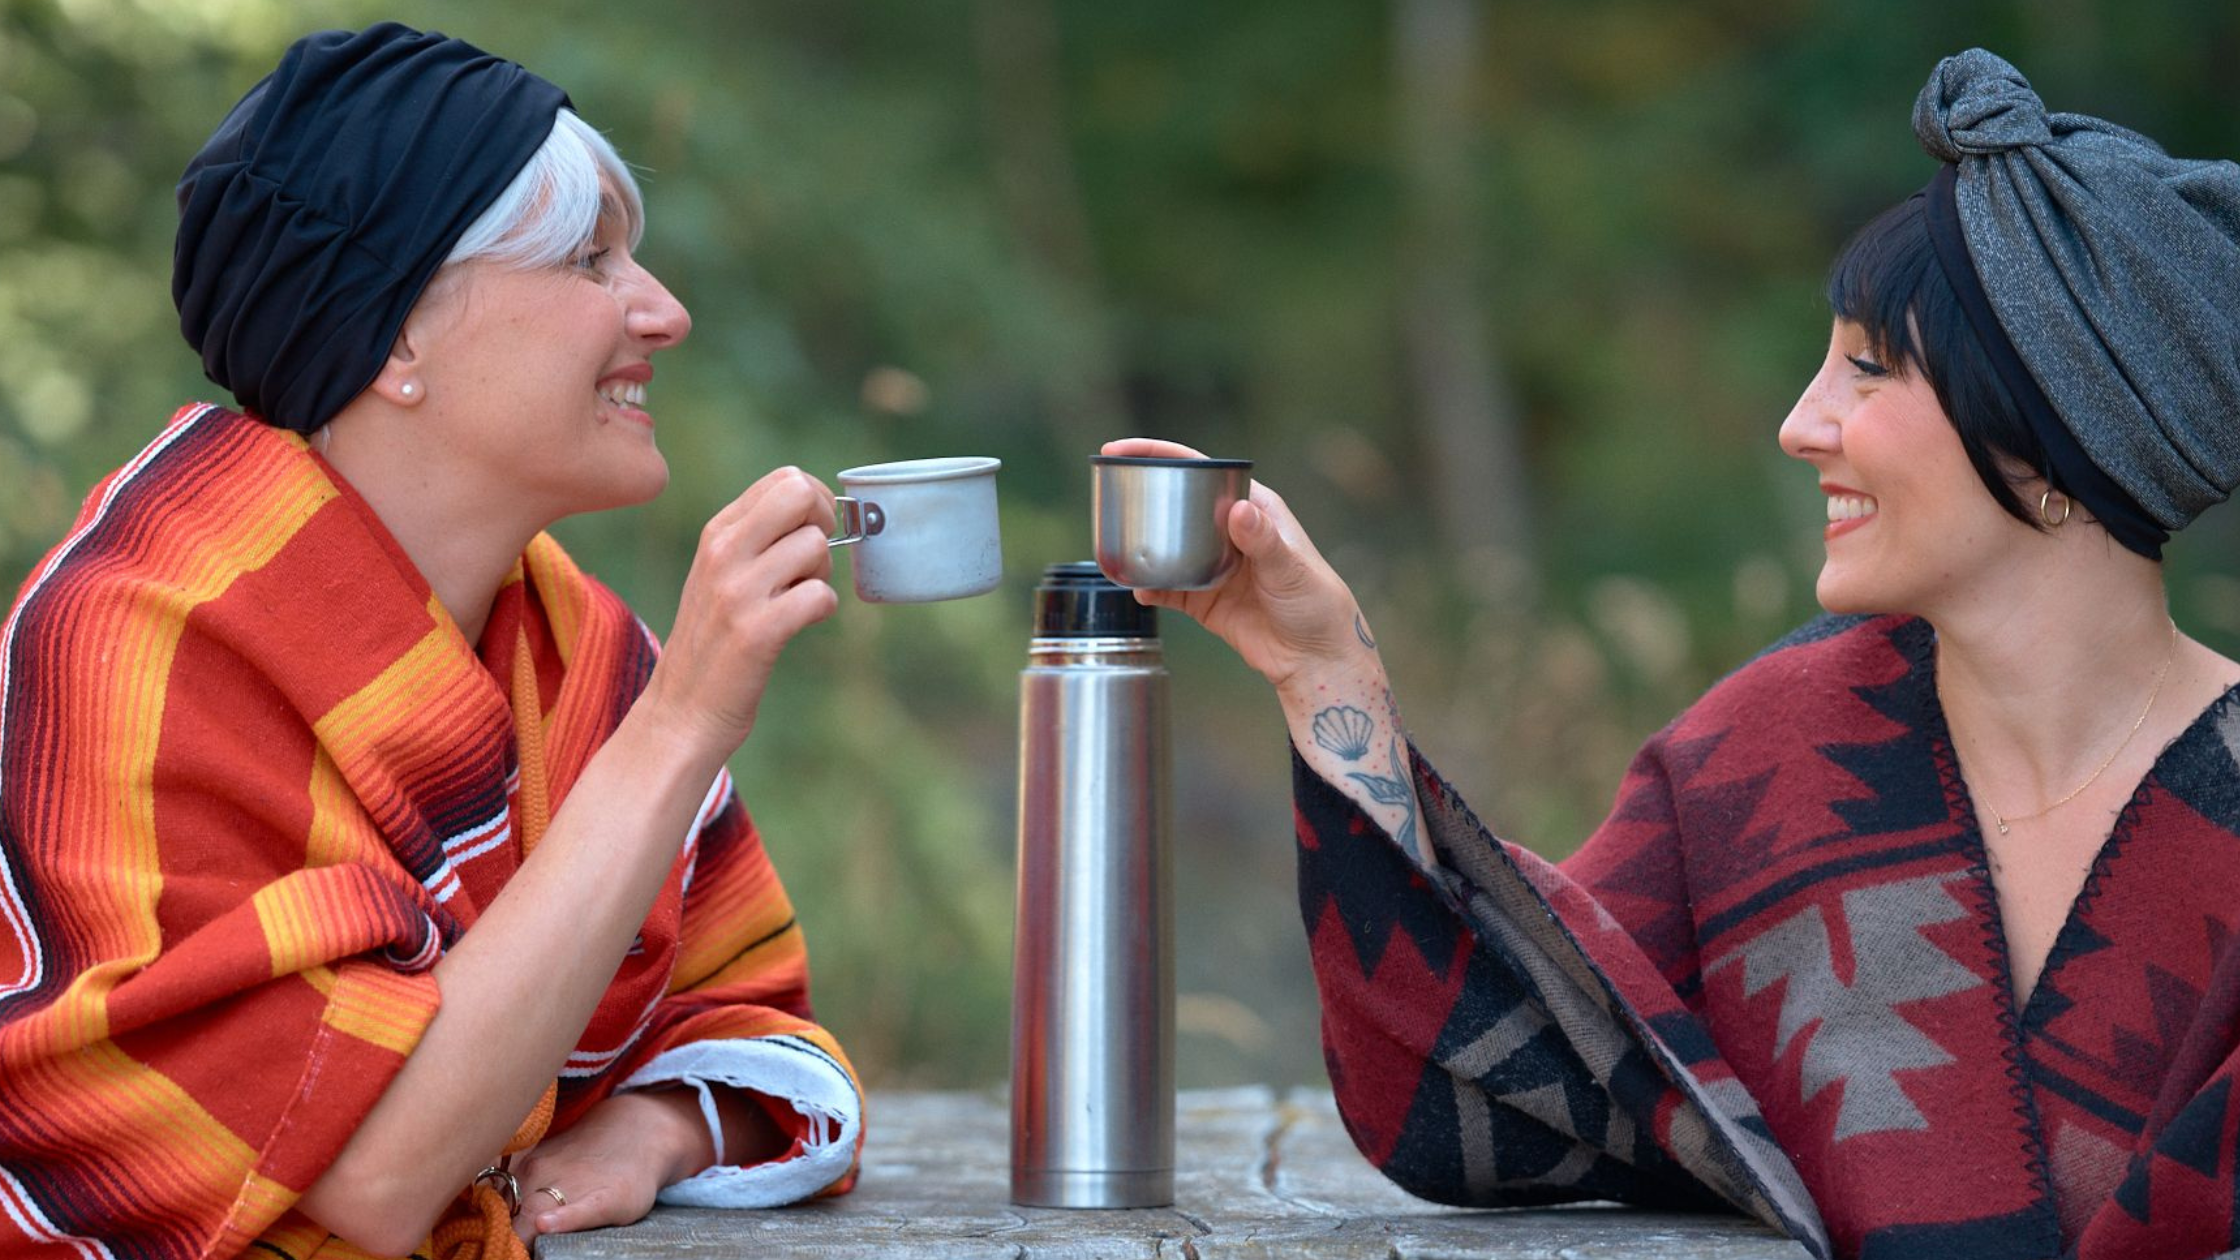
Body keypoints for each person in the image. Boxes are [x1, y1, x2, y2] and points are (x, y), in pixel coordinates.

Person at [1109, 49, 2240, 1260]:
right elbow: (1478, 1082)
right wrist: (1322, 672)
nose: (1800, 424)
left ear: (2051, 442)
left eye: (1864, 368)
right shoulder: (1772, 751)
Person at [0, 24, 862, 1259]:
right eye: (589, 262)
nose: (662, 312)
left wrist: (664, 1126)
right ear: (397, 336)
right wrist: (683, 730)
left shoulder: (579, 651)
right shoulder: (129, 644)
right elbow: (367, 1171)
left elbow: (738, 1006)